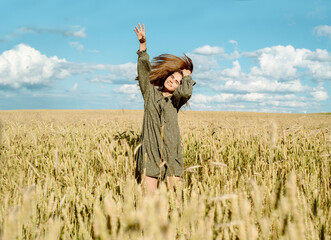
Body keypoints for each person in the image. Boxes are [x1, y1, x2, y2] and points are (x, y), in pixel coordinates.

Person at [133, 23, 195, 193]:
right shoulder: (150, 94)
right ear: (167, 75)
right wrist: (143, 45)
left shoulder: (176, 101)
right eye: (172, 77)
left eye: (177, 82)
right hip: (150, 152)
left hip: (171, 152)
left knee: (177, 200)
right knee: (148, 201)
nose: (172, 82)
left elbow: (186, 93)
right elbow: (144, 72)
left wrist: (187, 77)